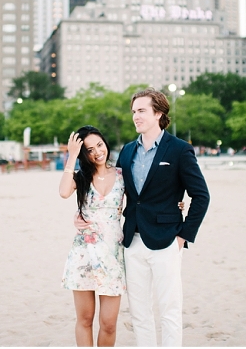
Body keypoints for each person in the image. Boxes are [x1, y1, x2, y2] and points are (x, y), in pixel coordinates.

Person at [75, 87, 210, 346]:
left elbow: (201, 196)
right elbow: (107, 188)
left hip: (167, 240)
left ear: (158, 113)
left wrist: (183, 235)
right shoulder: (127, 151)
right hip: (132, 241)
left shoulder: (180, 150)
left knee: (169, 310)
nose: (136, 116)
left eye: (142, 111)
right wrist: (80, 215)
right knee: (139, 313)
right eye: (134, 111)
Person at [61, 125, 186, 347]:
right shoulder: (81, 178)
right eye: (89, 150)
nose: (97, 152)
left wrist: (173, 204)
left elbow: (145, 194)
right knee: (85, 319)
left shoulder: (121, 174)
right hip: (84, 253)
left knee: (108, 323)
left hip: (112, 254)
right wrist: (71, 157)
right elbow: (63, 192)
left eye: (99, 145)